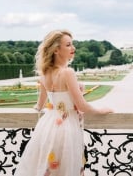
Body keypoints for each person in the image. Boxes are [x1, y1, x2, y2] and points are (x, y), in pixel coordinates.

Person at [14, 29, 113, 176]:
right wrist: (101, 110)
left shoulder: (44, 73)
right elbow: (81, 105)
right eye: (68, 45)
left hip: (47, 127)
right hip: (66, 128)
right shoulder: (68, 73)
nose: (73, 48)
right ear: (56, 50)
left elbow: (39, 105)